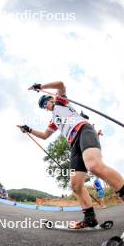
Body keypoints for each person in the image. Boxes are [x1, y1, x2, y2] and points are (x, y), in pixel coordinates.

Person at [18, 81, 124, 229]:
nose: (45, 107)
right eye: (43, 107)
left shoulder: (61, 101)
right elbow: (44, 135)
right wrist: (28, 129)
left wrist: (41, 87)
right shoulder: (53, 120)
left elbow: (61, 84)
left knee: (93, 165)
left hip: (84, 130)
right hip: (73, 144)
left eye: (45, 103)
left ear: (50, 99)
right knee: (75, 185)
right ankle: (89, 219)